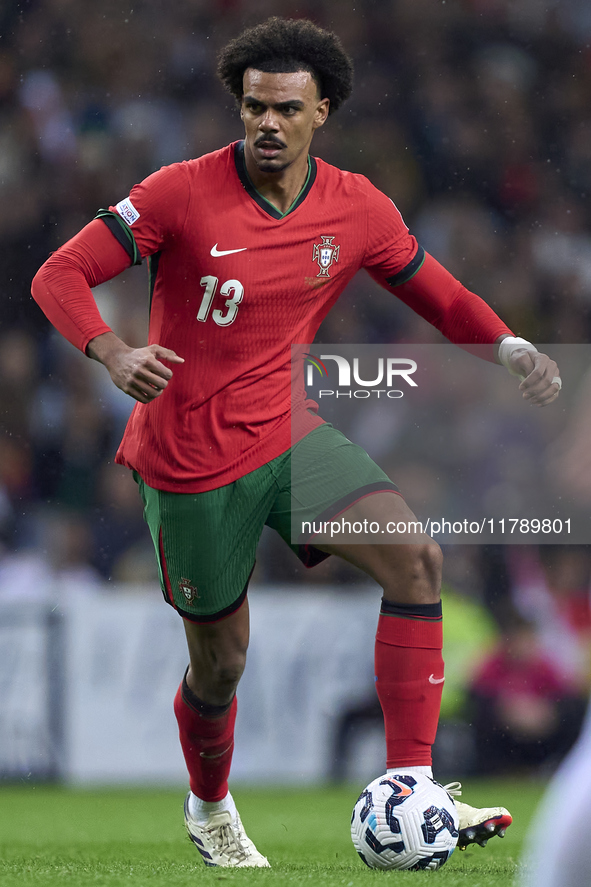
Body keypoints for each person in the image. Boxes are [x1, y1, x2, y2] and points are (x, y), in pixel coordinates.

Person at [32, 17, 561, 869]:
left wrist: (505, 345)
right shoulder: (178, 191)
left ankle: (410, 788)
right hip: (190, 457)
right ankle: (210, 806)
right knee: (221, 664)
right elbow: (58, 273)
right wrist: (113, 349)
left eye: (284, 108)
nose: (265, 124)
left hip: (287, 431)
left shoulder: (356, 205)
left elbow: (438, 292)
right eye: (252, 108)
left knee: (416, 559)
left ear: (323, 112)